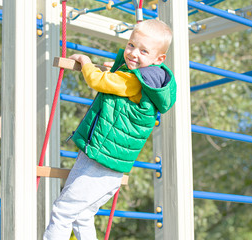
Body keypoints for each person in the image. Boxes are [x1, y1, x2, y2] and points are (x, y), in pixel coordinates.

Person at [43, 19, 176, 240]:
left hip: (100, 160)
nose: (133, 53)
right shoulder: (148, 82)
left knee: (63, 212)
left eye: (144, 51)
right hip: (112, 166)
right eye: (131, 45)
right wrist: (115, 68)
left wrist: (85, 62)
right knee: (82, 215)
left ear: (158, 59)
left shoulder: (135, 80)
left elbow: (99, 82)